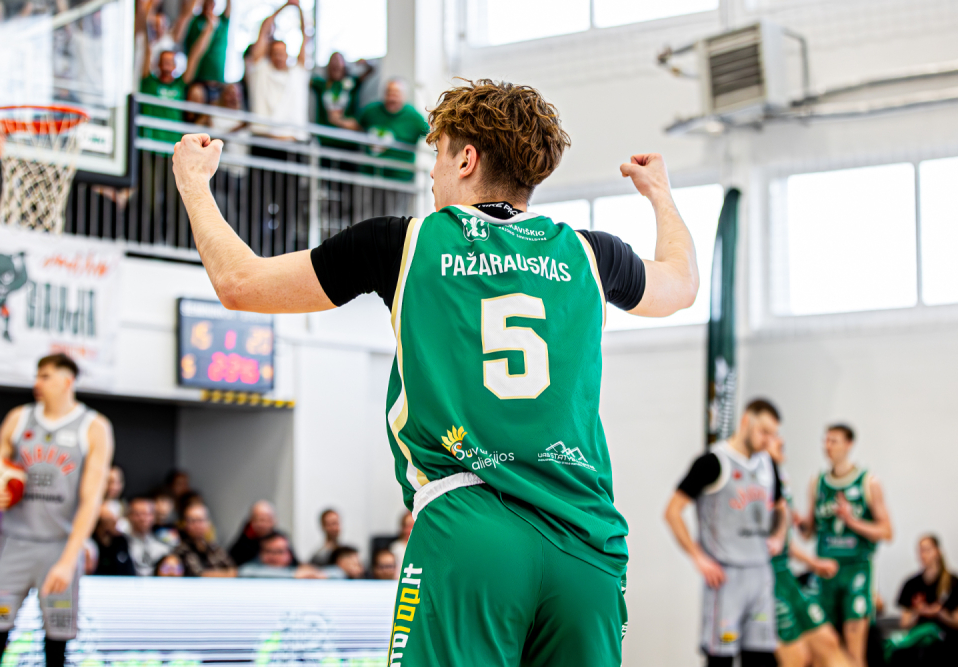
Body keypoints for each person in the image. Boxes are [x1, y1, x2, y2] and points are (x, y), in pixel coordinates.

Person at [172, 76, 700, 665]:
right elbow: (681, 286)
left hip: (470, 526)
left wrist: (194, 184)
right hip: (587, 540)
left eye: (438, 155)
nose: (431, 174)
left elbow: (240, 283)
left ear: (466, 159)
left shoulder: (402, 243)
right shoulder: (591, 253)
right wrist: (660, 195)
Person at [0, 353, 114, 667]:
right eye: (36, 375)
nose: (37, 382)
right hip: (13, 542)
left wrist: (68, 560)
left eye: (45, 376)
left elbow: (91, 500)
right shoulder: (18, 418)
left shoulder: (94, 426)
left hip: (59, 546)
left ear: (67, 381)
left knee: (57, 641)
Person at [664, 399, 789, 667]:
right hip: (726, 576)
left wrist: (779, 535)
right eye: (764, 432)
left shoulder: (768, 465)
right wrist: (698, 557)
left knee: (762, 658)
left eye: (773, 434)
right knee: (720, 657)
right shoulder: (713, 462)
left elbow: (781, 507)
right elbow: (672, 511)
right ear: (746, 421)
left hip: (760, 573)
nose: (768, 440)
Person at [799, 424, 893, 667]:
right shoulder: (817, 482)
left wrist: (852, 521)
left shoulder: (868, 482)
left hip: (855, 571)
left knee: (854, 651)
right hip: (825, 573)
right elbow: (809, 532)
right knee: (824, 650)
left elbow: (886, 531)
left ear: (849, 444)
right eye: (825, 441)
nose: (827, 446)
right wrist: (799, 523)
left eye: (834, 441)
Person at [766, 436, 854, 667]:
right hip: (766, 582)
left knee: (829, 641)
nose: (779, 439)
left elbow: (784, 543)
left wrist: (813, 563)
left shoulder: (781, 481)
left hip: (786, 577)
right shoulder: (753, 485)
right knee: (797, 657)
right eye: (770, 434)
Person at [139, 16, 215, 144]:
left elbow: (196, 55)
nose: (167, 65)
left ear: (175, 66)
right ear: (158, 64)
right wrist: (147, 17)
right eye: (164, 61)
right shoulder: (149, 83)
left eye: (170, 62)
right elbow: (147, 47)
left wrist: (209, 29)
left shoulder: (179, 85)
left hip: (172, 145)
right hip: (149, 145)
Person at [891, 535, 958, 666]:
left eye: (927, 550)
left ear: (937, 551)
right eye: (920, 551)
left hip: (947, 641)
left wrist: (940, 613)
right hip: (919, 642)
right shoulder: (911, 584)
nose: (923, 555)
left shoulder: (953, 582)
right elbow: (904, 623)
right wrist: (918, 612)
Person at [246, 0, 309, 141]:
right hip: (264, 137)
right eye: (275, 53)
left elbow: (305, 37)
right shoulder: (261, 70)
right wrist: (284, 6)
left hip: (291, 141)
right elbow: (263, 30)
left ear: (287, 54)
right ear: (269, 55)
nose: (279, 57)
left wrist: (299, 9)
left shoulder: (297, 73)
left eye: (282, 53)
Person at [356, 78, 429, 181]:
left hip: (400, 178)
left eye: (396, 94)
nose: (392, 98)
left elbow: (431, 133)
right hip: (371, 175)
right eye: (389, 93)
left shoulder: (414, 117)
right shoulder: (371, 111)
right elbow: (356, 126)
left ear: (404, 96)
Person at [310, 51, 374, 152]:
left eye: (338, 62)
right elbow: (303, 77)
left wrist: (365, 63)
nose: (335, 65)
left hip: (348, 140)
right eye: (333, 63)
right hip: (326, 140)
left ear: (344, 66)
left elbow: (371, 70)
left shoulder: (351, 83)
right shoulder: (322, 85)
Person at [172, 502, 235, 577]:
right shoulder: (181, 550)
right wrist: (225, 574)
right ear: (186, 524)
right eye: (193, 521)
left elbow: (233, 571)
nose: (197, 525)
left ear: (208, 522)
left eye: (201, 520)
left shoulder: (213, 547)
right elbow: (199, 575)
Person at [183, 0, 231, 93]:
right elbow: (188, 10)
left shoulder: (221, 21)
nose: (209, 4)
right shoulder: (195, 21)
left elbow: (229, 9)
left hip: (217, 79)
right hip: (197, 77)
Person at [237, 531, 322, 579]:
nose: (274, 556)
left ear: (289, 554)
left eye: (279, 551)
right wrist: (293, 575)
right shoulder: (250, 571)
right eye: (269, 551)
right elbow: (244, 571)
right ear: (260, 553)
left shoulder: (299, 571)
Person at [126, 496, 171, 576]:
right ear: (129, 516)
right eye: (138, 514)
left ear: (154, 516)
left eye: (147, 514)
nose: (143, 518)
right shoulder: (121, 543)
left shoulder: (165, 543)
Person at [228, 500, 279, 567]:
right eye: (260, 519)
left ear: (274, 521)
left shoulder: (280, 540)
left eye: (267, 519)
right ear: (252, 521)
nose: (263, 524)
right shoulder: (242, 545)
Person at [91, 507, 135, 576]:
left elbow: (129, 569)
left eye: (115, 520)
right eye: (111, 521)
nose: (115, 524)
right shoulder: (91, 543)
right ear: (101, 524)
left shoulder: (121, 541)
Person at [103, 464, 129, 534]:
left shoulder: (123, 506)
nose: (114, 487)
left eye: (118, 482)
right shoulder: (96, 506)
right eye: (109, 482)